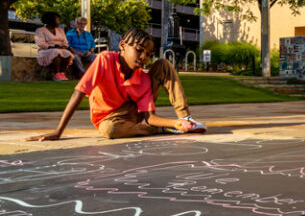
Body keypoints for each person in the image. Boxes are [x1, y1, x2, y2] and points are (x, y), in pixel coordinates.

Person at [26, 29, 207, 141]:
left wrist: (178, 122)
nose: (144, 57)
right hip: (109, 119)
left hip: (131, 114)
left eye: (148, 53)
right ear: (122, 46)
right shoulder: (104, 60)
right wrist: (58, 131)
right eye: (139, 50)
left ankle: (186, 120)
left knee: (163, 64)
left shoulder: (143, 78)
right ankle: (161, 130)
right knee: (109, 130)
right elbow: (79, 93)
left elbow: (149, 116)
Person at [34, 11, 74, 81]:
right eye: (57, 20)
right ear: (51, 20)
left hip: (59, 49)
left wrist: (63, 46)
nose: (59, 22)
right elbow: (40, 43)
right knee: (56, 52)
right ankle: (57, 74)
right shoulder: (40, 30)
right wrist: (51, 47)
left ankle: (62, 73)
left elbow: (65, 42)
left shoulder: (60, 30)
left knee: (67, 53)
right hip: (45, 51)